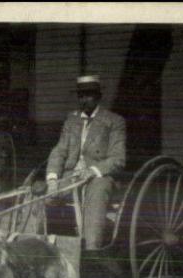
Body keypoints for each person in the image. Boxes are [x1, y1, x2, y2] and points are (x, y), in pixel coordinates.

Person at [45, 75, 126, 251]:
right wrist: (52, 178)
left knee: (95, 199)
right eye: (81, 96)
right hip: (70, 176)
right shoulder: (71, 120)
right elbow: (59, 151)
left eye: (88, 95)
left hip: (98, 177)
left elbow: (118, 159)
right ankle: (40, 247)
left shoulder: (114, 121)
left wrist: (93, 170)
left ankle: (91, 251)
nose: (84, 100)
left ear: (98, 96)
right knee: (40, 196)